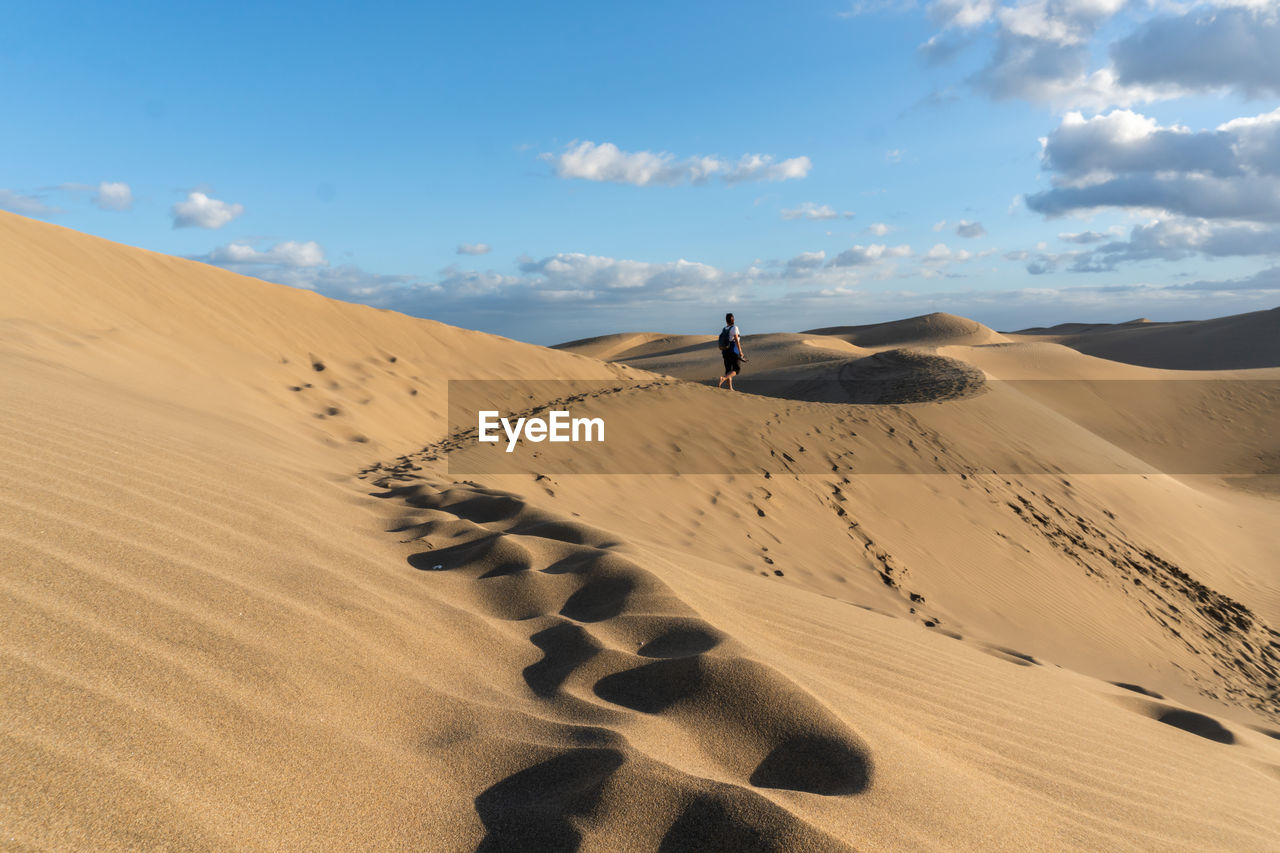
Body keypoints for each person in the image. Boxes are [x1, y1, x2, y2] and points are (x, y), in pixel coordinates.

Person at [717, 312, 745, 390]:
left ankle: (730, 388)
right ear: (733, 320)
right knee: (736, 369)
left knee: (728, 370)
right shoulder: (734, 328)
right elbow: (736, 339)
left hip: (725, 351)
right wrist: (740, 351)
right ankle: (723, 378)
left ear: (726, 321)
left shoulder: (724, 329)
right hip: (733, 349)